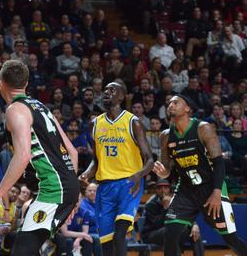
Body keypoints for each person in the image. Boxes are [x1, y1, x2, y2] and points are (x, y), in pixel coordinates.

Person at [0, 60, 79, 255]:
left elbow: (23, 155)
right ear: (25, 84)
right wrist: (72, 195)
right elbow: (72, 152)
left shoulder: (15, 110)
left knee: (22, 250)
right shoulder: (41, 107)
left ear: (0, 83)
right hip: (65, 185)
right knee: (27, 247)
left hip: (54, 188)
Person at [153, 95, 247, 255]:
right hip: (186, 190)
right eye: (169, 103)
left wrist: (217, 193)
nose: (171, 105)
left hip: (211, 188)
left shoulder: (203, 128)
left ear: (187, 108)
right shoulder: (165, 136)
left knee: (230, 238)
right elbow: (167, 168)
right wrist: (164, 172)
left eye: (176, 103)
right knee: (170, 232)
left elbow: (219, 163)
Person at [78, 82, 153, 256]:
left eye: (112, 90)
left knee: (120, 234)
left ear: (121, 96)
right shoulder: (95, 124)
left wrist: (139, 174)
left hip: (128, 183)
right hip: (104, 188)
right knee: (106, 243)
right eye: (105, 90)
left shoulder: (133, 122)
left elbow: (149, 160)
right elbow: (96, 160)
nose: (106, 92)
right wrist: (87, 173)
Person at [140, 178, 204, 256]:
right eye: (159, 188)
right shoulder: (151, 204)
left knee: (194, 232)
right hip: (151, 234)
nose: (162, 190)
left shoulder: (174, 202)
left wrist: (194, 225)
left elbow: (184, 216)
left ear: (169, 189)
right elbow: (156, 224)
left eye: (165, 187)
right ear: (156, 190)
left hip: (167, 231)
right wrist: (165, 208)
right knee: (172, 231)